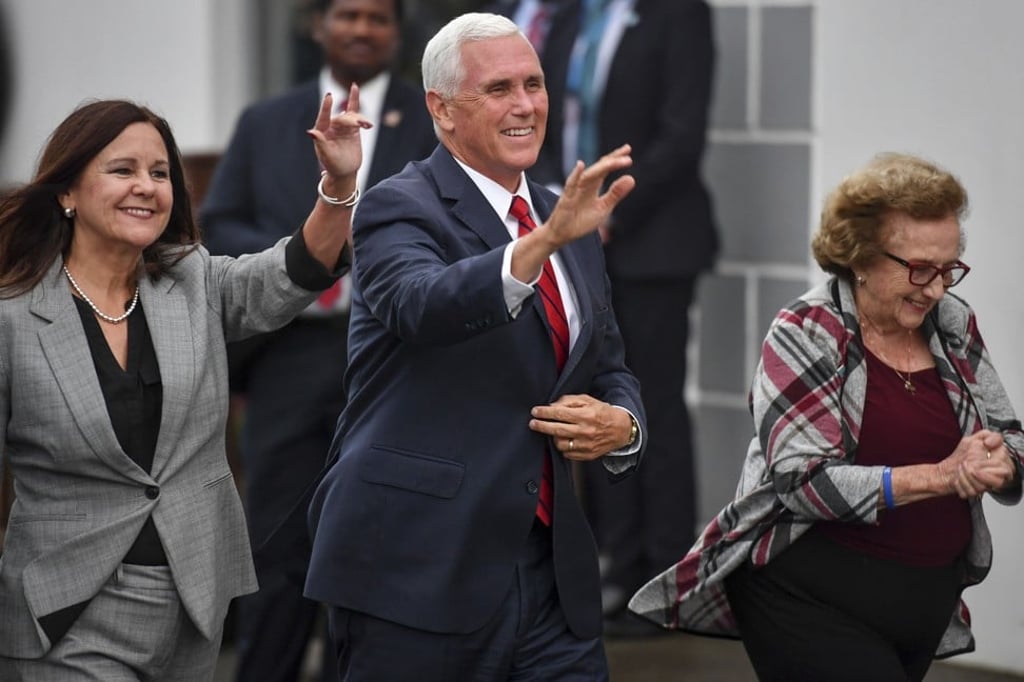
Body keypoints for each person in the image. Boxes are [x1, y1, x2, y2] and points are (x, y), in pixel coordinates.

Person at [304, 12, 646, 680]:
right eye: (499, 90)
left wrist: (623, 425)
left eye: (534, 83)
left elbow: (606, 361)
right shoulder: (397, 206)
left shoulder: (563, 211)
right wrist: (540, 243)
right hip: (418, 567)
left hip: (554, 579)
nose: (525, 105)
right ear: (442, 109)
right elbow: (425, 306)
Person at [0, 93, 367, 679]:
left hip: (194, 603)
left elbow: (290, 272)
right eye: (122, 170)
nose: (146, 186)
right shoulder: (14, 320)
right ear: (67, 192)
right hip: (67, 615)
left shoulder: (190, 279)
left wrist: (338, 185)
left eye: (160, 173)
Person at [629, 153, 1023, 681]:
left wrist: (1004, 462)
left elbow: (1009, 435)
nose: (935, 288)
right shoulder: (807, 330)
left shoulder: (953, 323)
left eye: (948, 269)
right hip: (808, 593)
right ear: (859, 257)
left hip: (924, 597)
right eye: (919, 269)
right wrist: (942, 476)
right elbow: (800, 478)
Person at [199, 0, 435, 678]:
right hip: (291, 355)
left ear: (397, 32)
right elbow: (222, 227)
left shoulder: (437, 120)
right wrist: (309, 253)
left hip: (396, 362)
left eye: (377, 18)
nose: (362, 29)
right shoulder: (267, 120)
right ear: (317, 26)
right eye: (347, 14)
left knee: (377, 547)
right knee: (276, 542)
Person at [493, 0, 719, 634]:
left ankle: (665, 574)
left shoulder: (676, 14)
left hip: (650, 244)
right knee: (589, 403)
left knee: (651, 404)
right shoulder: (563, 18)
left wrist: (608, 216)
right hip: (569, 238)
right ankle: (615, 568)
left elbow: (682, 132)